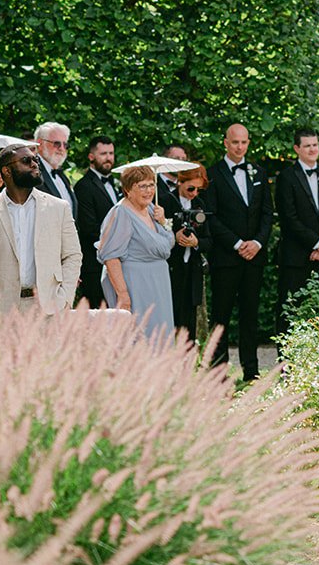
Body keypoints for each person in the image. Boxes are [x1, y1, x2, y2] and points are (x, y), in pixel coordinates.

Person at [0, 145, 83, 317]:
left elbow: (72, 255)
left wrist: (64, 298)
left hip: (49, 309)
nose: (34, 164)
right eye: (26, 161)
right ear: (6, 170)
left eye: (35, 160)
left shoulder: (58, 208)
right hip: (2, 312)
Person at [204, 122, 272, 379]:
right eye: (235, 142)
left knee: (250, 315)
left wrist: (257, 243)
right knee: (221, 317)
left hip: (254, 257)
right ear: (225, 142)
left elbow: (267, 213)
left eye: (244, 142)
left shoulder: (258, 172)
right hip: (225, 257)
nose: (240, 147)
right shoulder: (212, 174)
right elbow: (211, 217)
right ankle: (218, 372)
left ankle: (251, 371)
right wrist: (236, 243)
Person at [276, 128, 319, 327]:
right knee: (289, 310)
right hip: (296, 257)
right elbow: (289, 218)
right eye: (307, 146)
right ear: (297, 148)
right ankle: (286, 358)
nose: (312, 149)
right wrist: (316, 243)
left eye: (315, 145)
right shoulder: (286, 177)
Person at [98, 164, 176, 339]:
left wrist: (163, 221)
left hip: (159, 285)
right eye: (142, 186)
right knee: (140, 338)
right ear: (128, 190)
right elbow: (110, 257)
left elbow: (168, 242)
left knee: (161, 337)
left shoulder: (151, 210)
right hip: (136, 285)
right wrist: (123, 296)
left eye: (151, 185)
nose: (148, 191)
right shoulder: (121, 213)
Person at [73, 136, 120, 307]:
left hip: (115, 262)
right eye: (103, 154)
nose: (108, 158)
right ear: (91, 156)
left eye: (111, 153)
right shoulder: (83, 186)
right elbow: (89, 228)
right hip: (94, 264)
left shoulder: (115, 185)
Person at [168, 163, 209, 343]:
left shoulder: (199, 204)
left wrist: (196, 242)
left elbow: (210, 240)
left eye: (199, 190)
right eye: (191, 188)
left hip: (192, 270)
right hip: (170, 269)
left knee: (189, 326)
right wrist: (173, 237)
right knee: (171, 321)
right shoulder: (165, 201)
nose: (194, 193)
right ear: (180, 181)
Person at [32, 122, 75, 214]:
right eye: (57, 144)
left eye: (65, 145)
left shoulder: (63, 177)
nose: (62, 149)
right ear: (40, 144)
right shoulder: (31, 172)